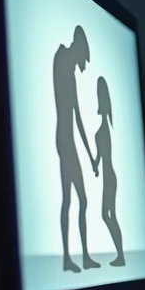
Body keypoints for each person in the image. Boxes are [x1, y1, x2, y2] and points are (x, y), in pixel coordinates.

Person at [54, 24, 99, 273]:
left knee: (80, 199)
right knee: (71, 198)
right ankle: (67, 257)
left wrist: (92, 154)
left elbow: (78, 115)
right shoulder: (61, 60)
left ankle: (82, 256)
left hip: (69, 140)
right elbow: (70, 114)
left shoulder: (68, 68)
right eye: (83, 58)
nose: (83, 64)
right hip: (64, 140)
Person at [91, 76, 125, 267]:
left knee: (108, 214)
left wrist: (96, 163)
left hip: (109, 177)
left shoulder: (104, 129)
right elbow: (100, 157)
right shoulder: (104, 128)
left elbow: (103, 156)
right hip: (107, 176)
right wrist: (95, 164)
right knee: (108, 214)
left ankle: (120, 254)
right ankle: (119, 253)